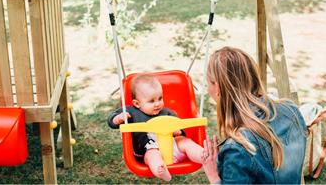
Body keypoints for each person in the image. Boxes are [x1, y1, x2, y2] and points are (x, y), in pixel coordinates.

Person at [202, 46, 307, 184]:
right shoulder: (292, 110)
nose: (207, 88)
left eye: (208, 82)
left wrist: (213, 175)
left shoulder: (238, 149)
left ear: (218, 89)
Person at [108, 74, 204, 181]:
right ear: (137, 103)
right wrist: (118, 118)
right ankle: (160, 169)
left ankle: (203, 156)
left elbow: (179, 129)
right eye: (152, 101)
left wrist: (178, 131)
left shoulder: (167, 112)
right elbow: (111, 121)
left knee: (185, 141)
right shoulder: (131, 112)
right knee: (152, 154)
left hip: (172, 147)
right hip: (148, 149)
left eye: (160, 98)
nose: (157, 104)